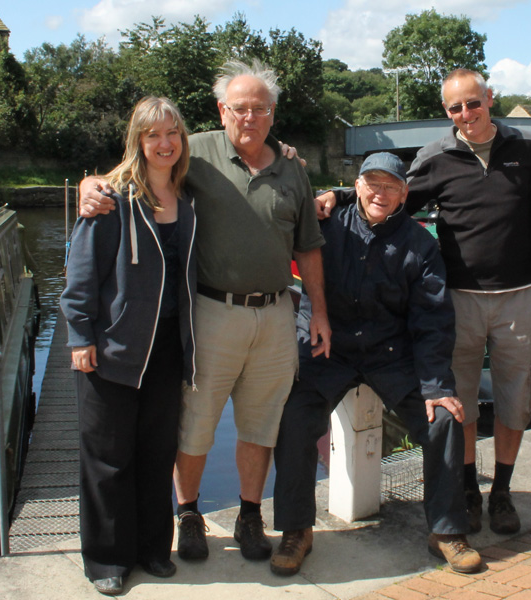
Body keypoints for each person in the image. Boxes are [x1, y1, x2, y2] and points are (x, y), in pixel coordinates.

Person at [78, 59, 330, 563]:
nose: (250, 118)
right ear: (222, 110)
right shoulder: (201, 153)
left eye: (260, 109)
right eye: (240, 108)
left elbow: (309, 249)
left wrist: (318, 313)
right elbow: (147, 158)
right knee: (195, 422)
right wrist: (91, 184)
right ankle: (189, 514)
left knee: (260, 425)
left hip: (277, 313)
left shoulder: (291, 168)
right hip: (211, 312)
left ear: (273, 114)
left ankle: (250, 514)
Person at [319, 69, 531, 535]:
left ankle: (502, 491)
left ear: (490, 99)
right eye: (455, 108)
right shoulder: (435, 157)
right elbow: (390, 195)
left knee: (515, 402)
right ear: (446, 111)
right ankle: (466, 488)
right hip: (458, 298)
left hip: (518, 296)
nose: (465, 114)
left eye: (473, 103)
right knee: (458, 401)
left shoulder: (528, 150)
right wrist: (339, 194)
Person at [269, 152, 481, 576]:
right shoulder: (325, 224)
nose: (379, 193)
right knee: (292, 416)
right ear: (357, 185)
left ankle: (445, 530)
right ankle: (296, 530)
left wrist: (438, 386)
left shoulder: (422, 246)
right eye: (372, 183)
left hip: (391, 354)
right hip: (329, 347)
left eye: (390, 186)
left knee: (443, 420)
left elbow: (433, 322)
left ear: (405, 193)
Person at [61, 96, 197, 595]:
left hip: (167, 349)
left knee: (157, 452)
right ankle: (105, 560)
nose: (164, 143)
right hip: (113, 347)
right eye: (152, 135)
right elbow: (79, 277)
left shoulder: (189, 198)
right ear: (137, 141)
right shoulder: (112, 198)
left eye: (172, 134)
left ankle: (152, 549)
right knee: (107, 456)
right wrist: (80, 336)